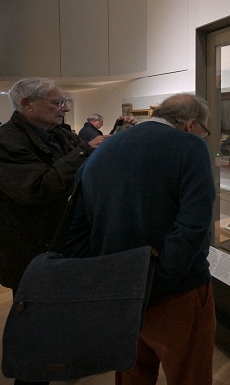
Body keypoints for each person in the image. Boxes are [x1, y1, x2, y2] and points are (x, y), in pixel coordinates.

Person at [64, 93, 216, 384]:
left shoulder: (104, 149)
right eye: (203, 130)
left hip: (119, 287)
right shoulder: (190, 146)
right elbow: (194, 227)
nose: (202, 136)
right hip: (176, 292)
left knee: (132, 375)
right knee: (189, 374)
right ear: (191, 124)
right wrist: (162, 282)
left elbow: (78, 225)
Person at [0, 77, 108, 385]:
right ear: (27, 104)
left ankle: (63, 363)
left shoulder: (60, 134)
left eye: (65, 103)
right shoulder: (6, 141)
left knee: (63, 314)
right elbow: (36, 188)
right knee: (34, 325)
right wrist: (85, 152)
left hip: (66, 243)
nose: (63, 109)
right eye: (56, 103)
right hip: (30, 250)